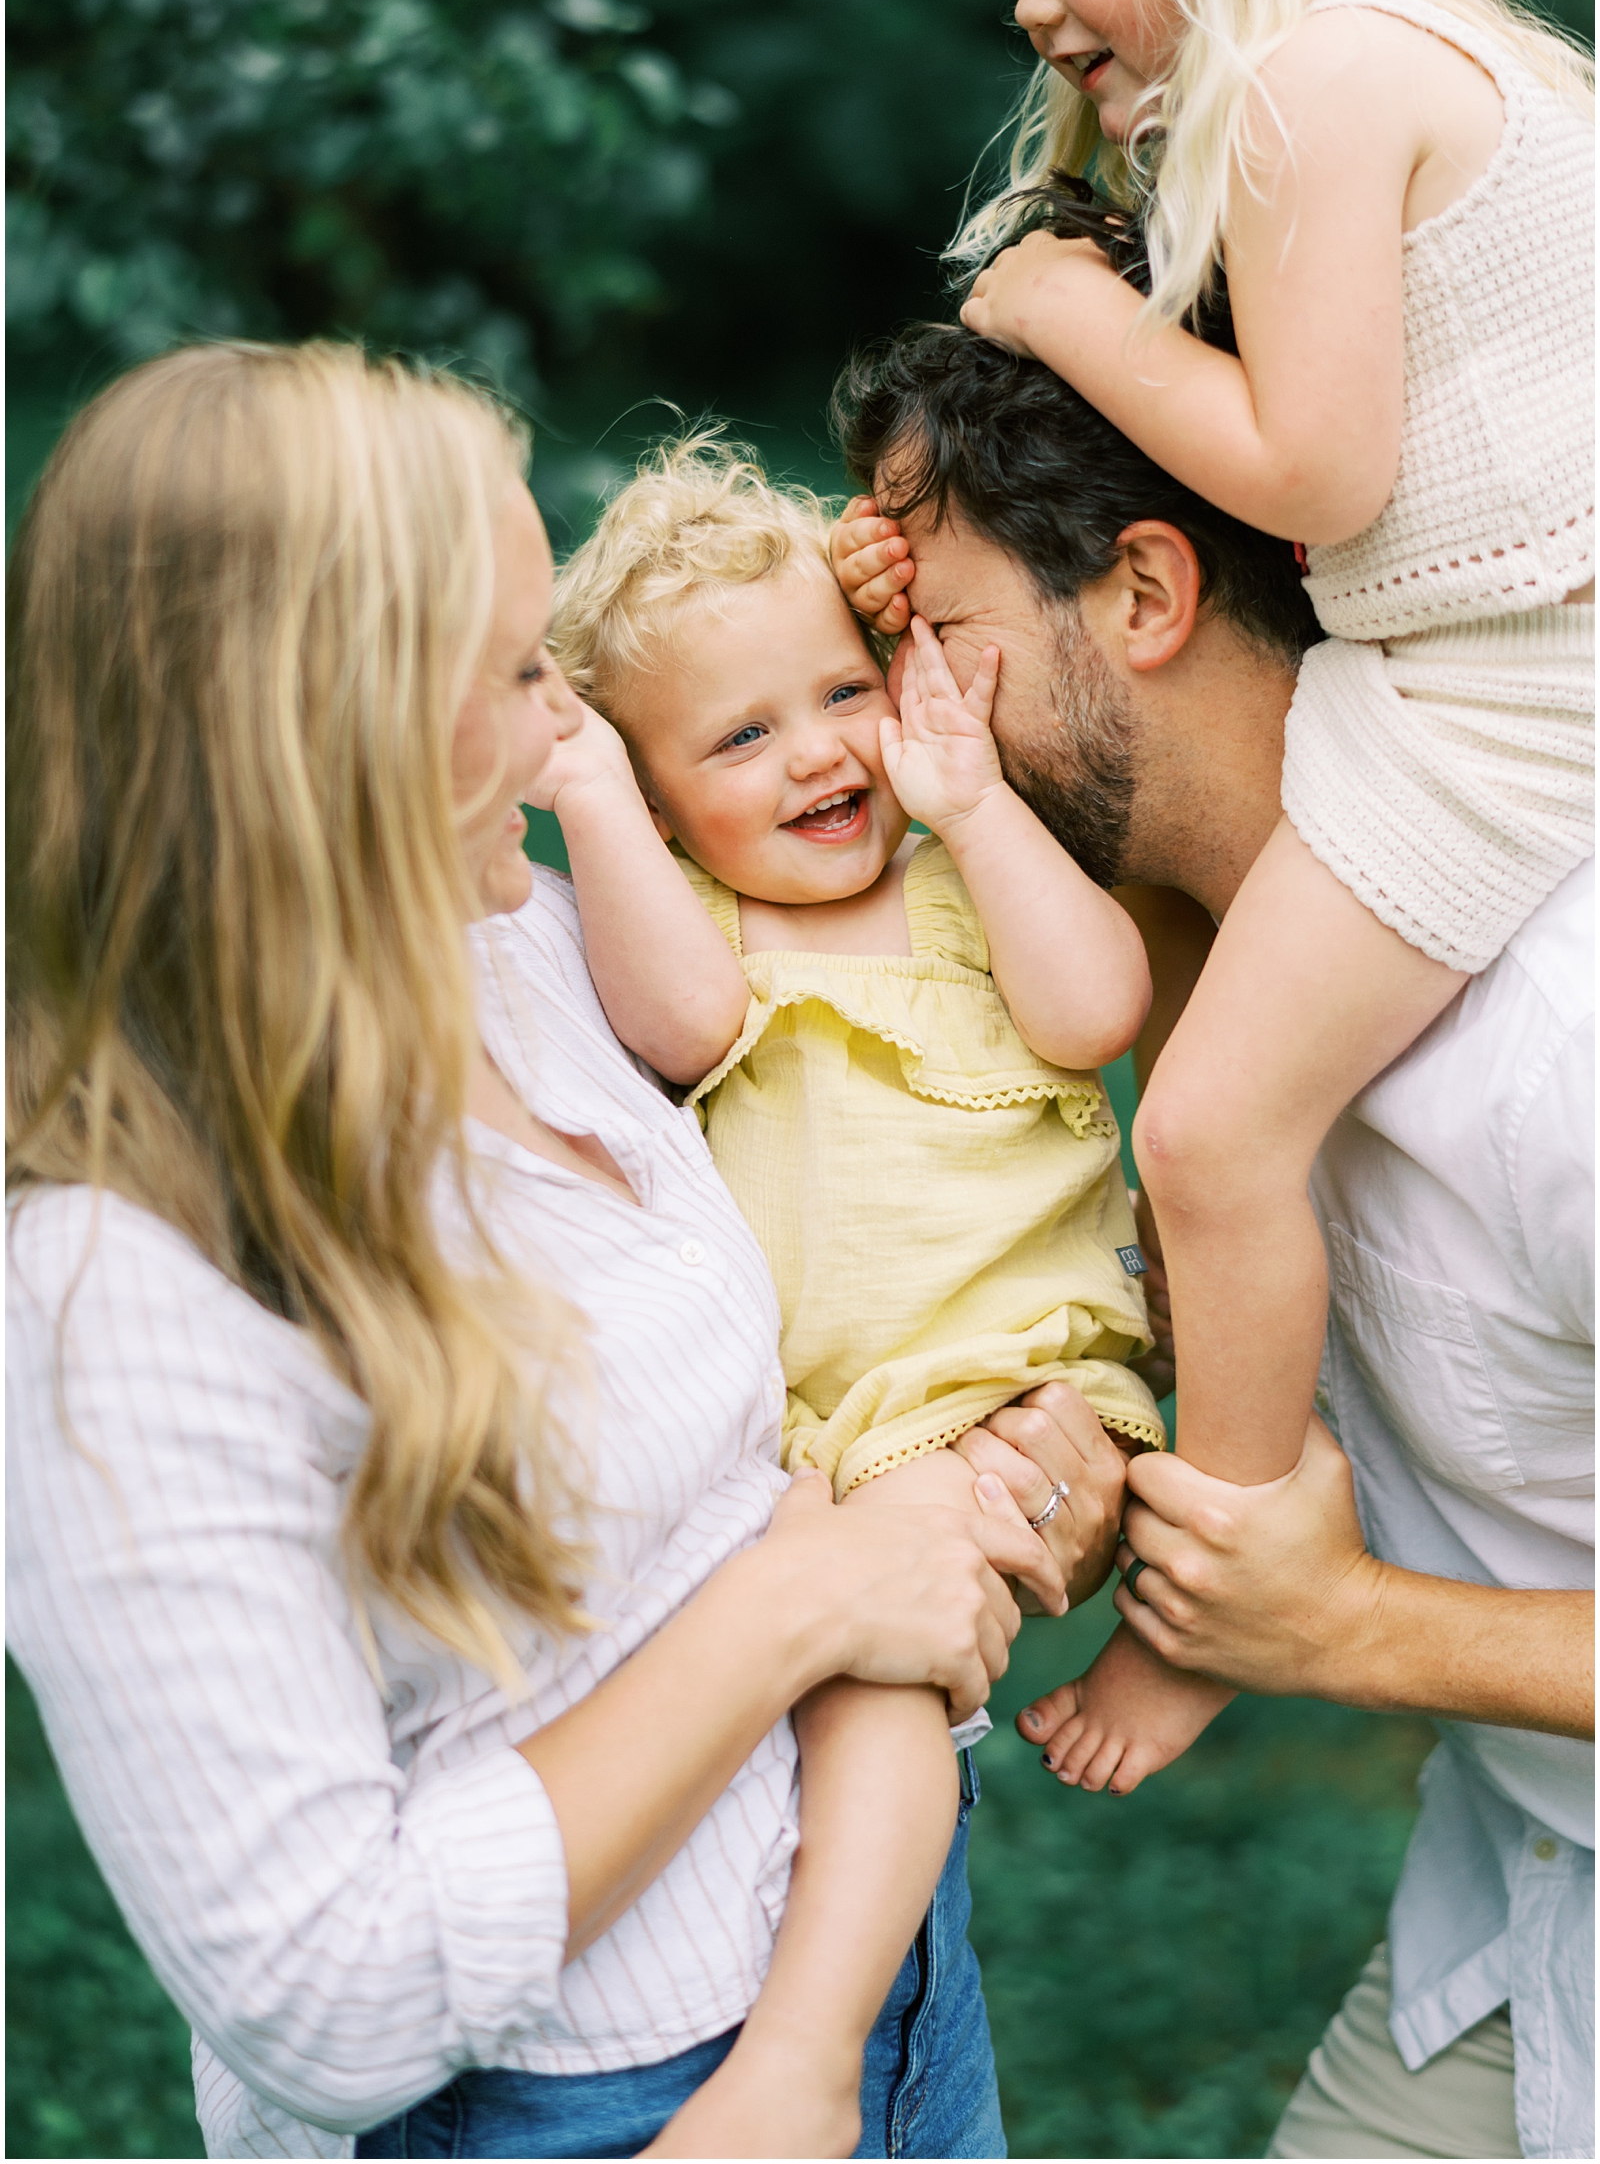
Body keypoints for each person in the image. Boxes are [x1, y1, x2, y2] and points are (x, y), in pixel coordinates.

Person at [5, 339, 1126, 2163]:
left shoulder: (523, 960)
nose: (561, 731)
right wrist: (802, 1604)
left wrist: (1009, 1474)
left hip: (893, 1997)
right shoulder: (113, 1274)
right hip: (570, 2108)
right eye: (524, 669)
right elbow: (329, 1994)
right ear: (334, 713)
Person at [870, 0, 1594, 1794]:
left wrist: (1059, 308)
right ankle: (1218, 1429)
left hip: (1499, 691)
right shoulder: (1409, 66)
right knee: (1194, 947)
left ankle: (1226, 1588)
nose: (1032, 3)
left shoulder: (1315, 82)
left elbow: (1309, 474)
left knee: (1200, 1137)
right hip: (1465, 658)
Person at [831, 316, 1593, 2162]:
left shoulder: (1562, 1040)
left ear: (1149, 594)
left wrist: (1341, 1626)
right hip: (1522, 1905)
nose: (890, 714)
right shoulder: (1186, 963)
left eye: (939, 642)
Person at [520, 433, 1162, 2139]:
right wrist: (588, 800)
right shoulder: (702, 936)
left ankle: (803, 2056)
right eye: (742, 736)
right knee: (809, 1668)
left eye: (837, 693)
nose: (817, 753)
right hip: (821, 1428)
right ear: (659, 809)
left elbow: (1099, 1011)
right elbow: (677, 1034)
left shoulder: (962, 878)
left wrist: (974, 794)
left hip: (1009, 1383)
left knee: (874, 1685)